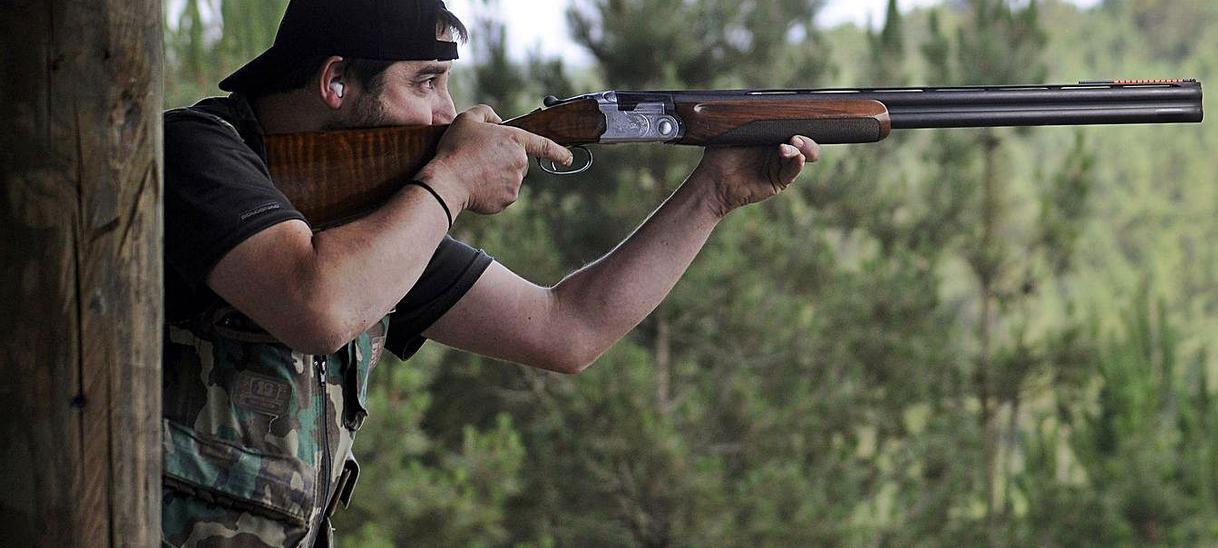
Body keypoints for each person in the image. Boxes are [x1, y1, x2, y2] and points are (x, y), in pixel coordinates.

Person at [161, 0, 820, 546]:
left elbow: (565, 329)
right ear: (336, 81)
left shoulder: (374, 217)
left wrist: (712, 195)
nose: (448, 114)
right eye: (425, 82)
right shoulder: (195, 152)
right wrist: (449, 181)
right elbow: (318, 307)